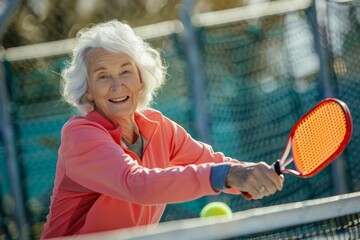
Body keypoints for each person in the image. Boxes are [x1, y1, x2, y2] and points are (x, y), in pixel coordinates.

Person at [41, 19, 284, 239]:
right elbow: (135, 184)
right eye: (103, 77)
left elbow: (211, 162)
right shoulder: (80, 134)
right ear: (87, 91)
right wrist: (229, 174)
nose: (117, 85)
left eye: (126, 71)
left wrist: (250, 176)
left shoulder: (159, 127)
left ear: (141, 78)